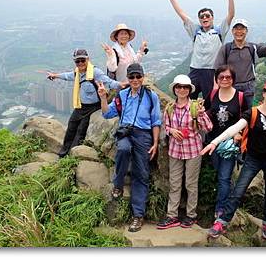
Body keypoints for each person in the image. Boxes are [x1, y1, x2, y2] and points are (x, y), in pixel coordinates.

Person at [201, 80, 266, 240]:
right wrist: (214, 142)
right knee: (238, 191)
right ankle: (222, 221)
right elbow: (233, 129)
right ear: (264, 93)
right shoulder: (252, 113)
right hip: (253, 159)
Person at [97, 63, 162, 233]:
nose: (135, 80)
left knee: (141, 173)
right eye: (131, 77)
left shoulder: (151, 96)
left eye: (138, 76)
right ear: (128, 78)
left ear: (143, 77)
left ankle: (138, 215)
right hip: (125, 132)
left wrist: (155, 143)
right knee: (124, 149)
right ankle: (118, 184)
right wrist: (103, 97)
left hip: (143, 135)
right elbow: (106, 113)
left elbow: (156, 121)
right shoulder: (122, 95)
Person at [166, 0, 235, 107]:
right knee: (187, 97)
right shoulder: (196, 31)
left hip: (211, 71)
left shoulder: (219, 31)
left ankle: (208, 125)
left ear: (212, 18)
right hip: (195, 70)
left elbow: (231, 15)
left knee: (210, 100)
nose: (204, 18)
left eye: (207, 16)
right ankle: (188, 122)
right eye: (202, 16)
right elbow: (182, 14)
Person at [156, 75, 212, 230]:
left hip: (193, 150)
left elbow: (208, 127)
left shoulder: (195, 107)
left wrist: (201, 113)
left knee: (191, 184)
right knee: (174, 184)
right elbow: (165, 127)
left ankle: (191, 215)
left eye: (185, 87)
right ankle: (172, 215)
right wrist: (171, 130)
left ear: (189, 90)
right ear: (174, 89)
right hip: (175, 151)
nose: (182, 89)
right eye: (179, 87)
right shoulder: (170, 108)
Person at [46, 48, 124, 157]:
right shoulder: (78, 72)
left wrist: (123, 84)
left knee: (81, 130)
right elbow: (68, 76)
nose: (80, 63)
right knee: (71, 127)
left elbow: (109, 82)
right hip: (80, 106)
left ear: (88, 59)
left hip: (93, 107)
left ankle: (74, 154)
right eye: (77, 61)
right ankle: (64, 152)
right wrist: (55, 75)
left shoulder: (95, 72)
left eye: (83, 60)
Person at [205, 65, 249, 219]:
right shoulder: (213, 94)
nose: (224, 79)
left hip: (230, 144)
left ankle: (221, 209)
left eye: (228, 77)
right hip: (213, 141)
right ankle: (230, 201)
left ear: (233, 79)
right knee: (222, 175)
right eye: (221, 77)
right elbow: (207, 112)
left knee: (224, 177)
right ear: (217, 79)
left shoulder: (241, 97)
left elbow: (247, 119)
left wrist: (239, 133)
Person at [214, 17, 266, 107]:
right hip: (230, 86)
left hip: (248, 88)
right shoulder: (226, 48)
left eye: (242, 29)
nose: (239, 31)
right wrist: (216, 88)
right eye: (236, 29)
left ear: (246, 31)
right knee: (231, 113)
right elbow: (217, 70)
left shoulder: (252, 47)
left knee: (247, 114)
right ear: (232, 31)